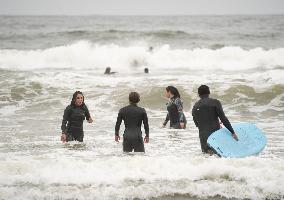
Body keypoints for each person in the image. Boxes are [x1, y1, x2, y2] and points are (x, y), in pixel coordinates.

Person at [192, 85, 238, 153]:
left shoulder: (195, 106)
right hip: (215, 136)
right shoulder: (215, 102)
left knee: (207, 158)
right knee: (218, 158)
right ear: (209, 92)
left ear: (199, 94)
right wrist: (232, 132)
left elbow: (197, 123)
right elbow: (223, 119)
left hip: (203, 138)